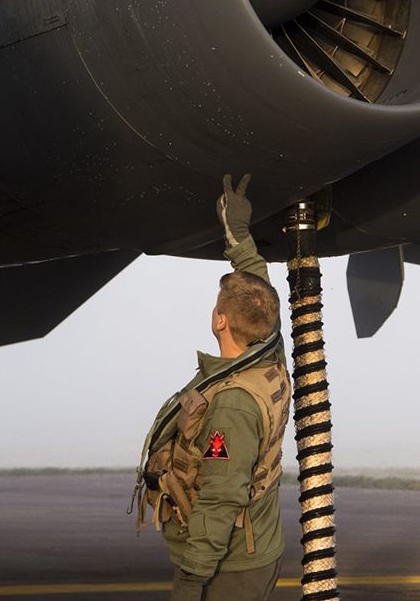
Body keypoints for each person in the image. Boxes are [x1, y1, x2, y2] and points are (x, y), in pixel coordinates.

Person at [138, 174, 291, 601]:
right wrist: (238, 235)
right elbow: (257, 293)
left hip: (230, 568)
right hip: (256, 549)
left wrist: (191, 578)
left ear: (220, 320)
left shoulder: (232, 406)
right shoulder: (266, 355)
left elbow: (221, 498)